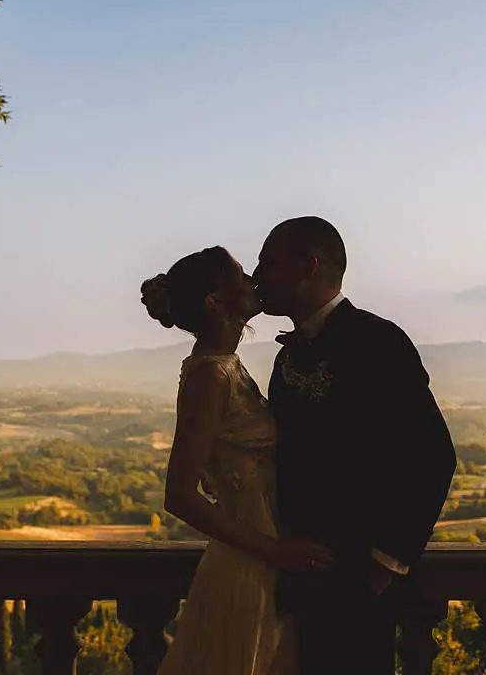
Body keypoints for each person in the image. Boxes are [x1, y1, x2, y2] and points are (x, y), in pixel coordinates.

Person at [253, 216, 457, 675]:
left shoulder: (378, 342)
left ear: (309, 266)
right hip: (294, 579)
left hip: (355, 582)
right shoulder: (287, 355)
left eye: (268, 262)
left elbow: (433, 455)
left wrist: (384, 564)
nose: (257, 275)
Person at [140, 245, 332, 675]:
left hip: (266, 560)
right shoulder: (210, 376)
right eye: (242, 274)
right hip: (249, 565)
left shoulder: (227, 366)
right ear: (216, 301)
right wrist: (274, 551)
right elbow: (180, 496)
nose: (254, 281)